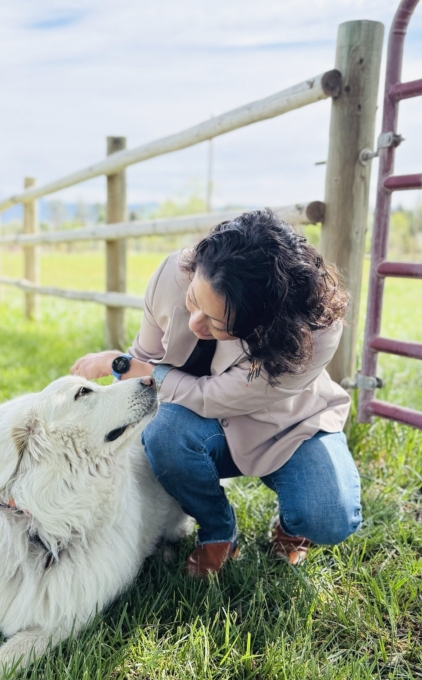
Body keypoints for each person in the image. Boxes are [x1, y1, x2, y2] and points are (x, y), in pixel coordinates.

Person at [71, 209, 361, 577]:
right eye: (194, 300)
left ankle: (293, 526)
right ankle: (218, 529)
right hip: (196, 423)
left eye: (217, 322)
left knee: (329, 519)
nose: (195, 323)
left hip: (289, 428)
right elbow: (144, 358)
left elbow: (209, 395)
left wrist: (136, 368)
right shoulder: (172, 273)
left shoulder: (312, 333)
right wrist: (123, 385)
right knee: (163, 433)